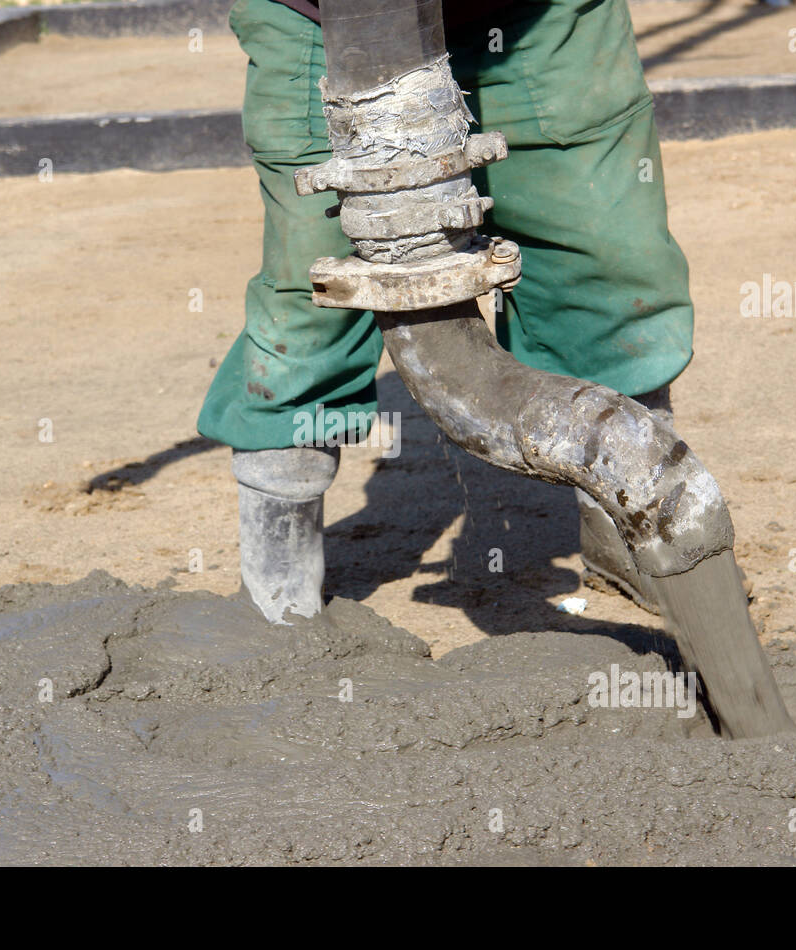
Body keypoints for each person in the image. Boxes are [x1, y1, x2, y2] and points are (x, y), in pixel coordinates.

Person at [198, 0, 692, 623]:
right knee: (310, 297)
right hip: (316, 20)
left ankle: (639, 545)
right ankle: (278, 587)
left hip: (535, 16)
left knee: (605, 258)